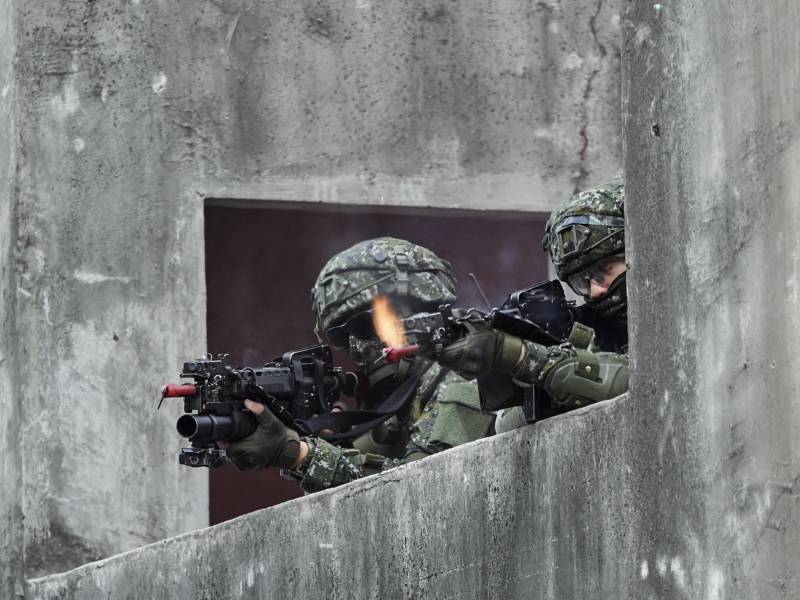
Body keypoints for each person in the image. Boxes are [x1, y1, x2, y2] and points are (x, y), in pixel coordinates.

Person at [221, 237, 495, 492]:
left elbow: (423, 489)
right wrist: (326, 445)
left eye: (364, 326)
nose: (354, 346)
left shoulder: (462, 379)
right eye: (341, 336)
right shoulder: (384, 405)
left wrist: (299, 454)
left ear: (412, 312)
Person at [434, 182, 630, 431]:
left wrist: (516, 354)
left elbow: (636, 380)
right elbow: (508, 426)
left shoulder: (679, 317)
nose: (595, 291)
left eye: (604, 271)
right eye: (582, 281)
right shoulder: (597, 329)